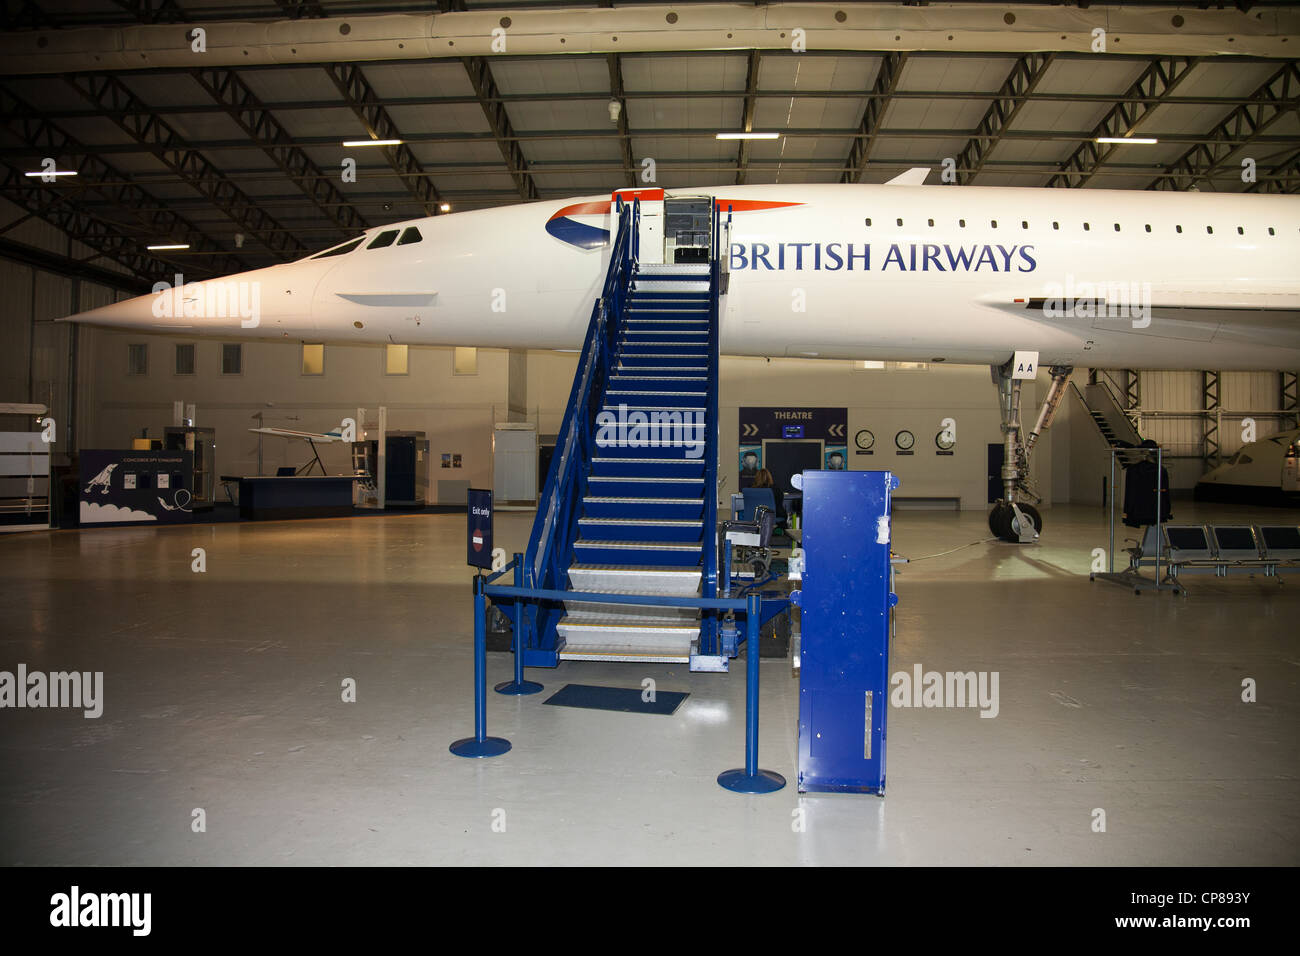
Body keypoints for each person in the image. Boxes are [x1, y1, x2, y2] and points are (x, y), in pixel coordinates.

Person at [1122, 438, 1173, 528]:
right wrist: (1167, 510)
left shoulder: (1133, 470)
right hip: (1156, 510)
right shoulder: (1161, 470)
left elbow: (1130, 492)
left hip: (1138, 511)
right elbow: (1165, 492)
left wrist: (1128, 511)